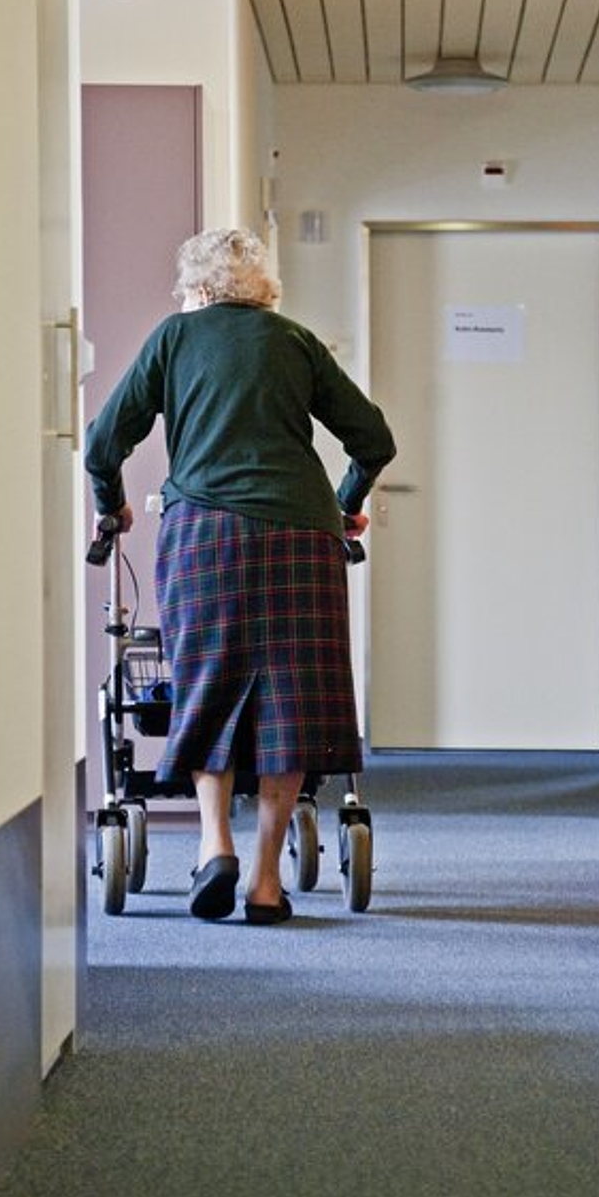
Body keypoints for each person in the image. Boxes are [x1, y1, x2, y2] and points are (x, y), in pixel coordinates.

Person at [85, 227, 396, 925]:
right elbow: (374, 439)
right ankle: (263, 880)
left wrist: (114, 508)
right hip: (300, 536)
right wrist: (343, 505)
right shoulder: (295, 341)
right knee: (291, 703)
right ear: (263, 289)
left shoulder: (174, 338)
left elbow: (103, 443)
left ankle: (213, 842)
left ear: (196, 287)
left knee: (208, 684)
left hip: (206, 536)